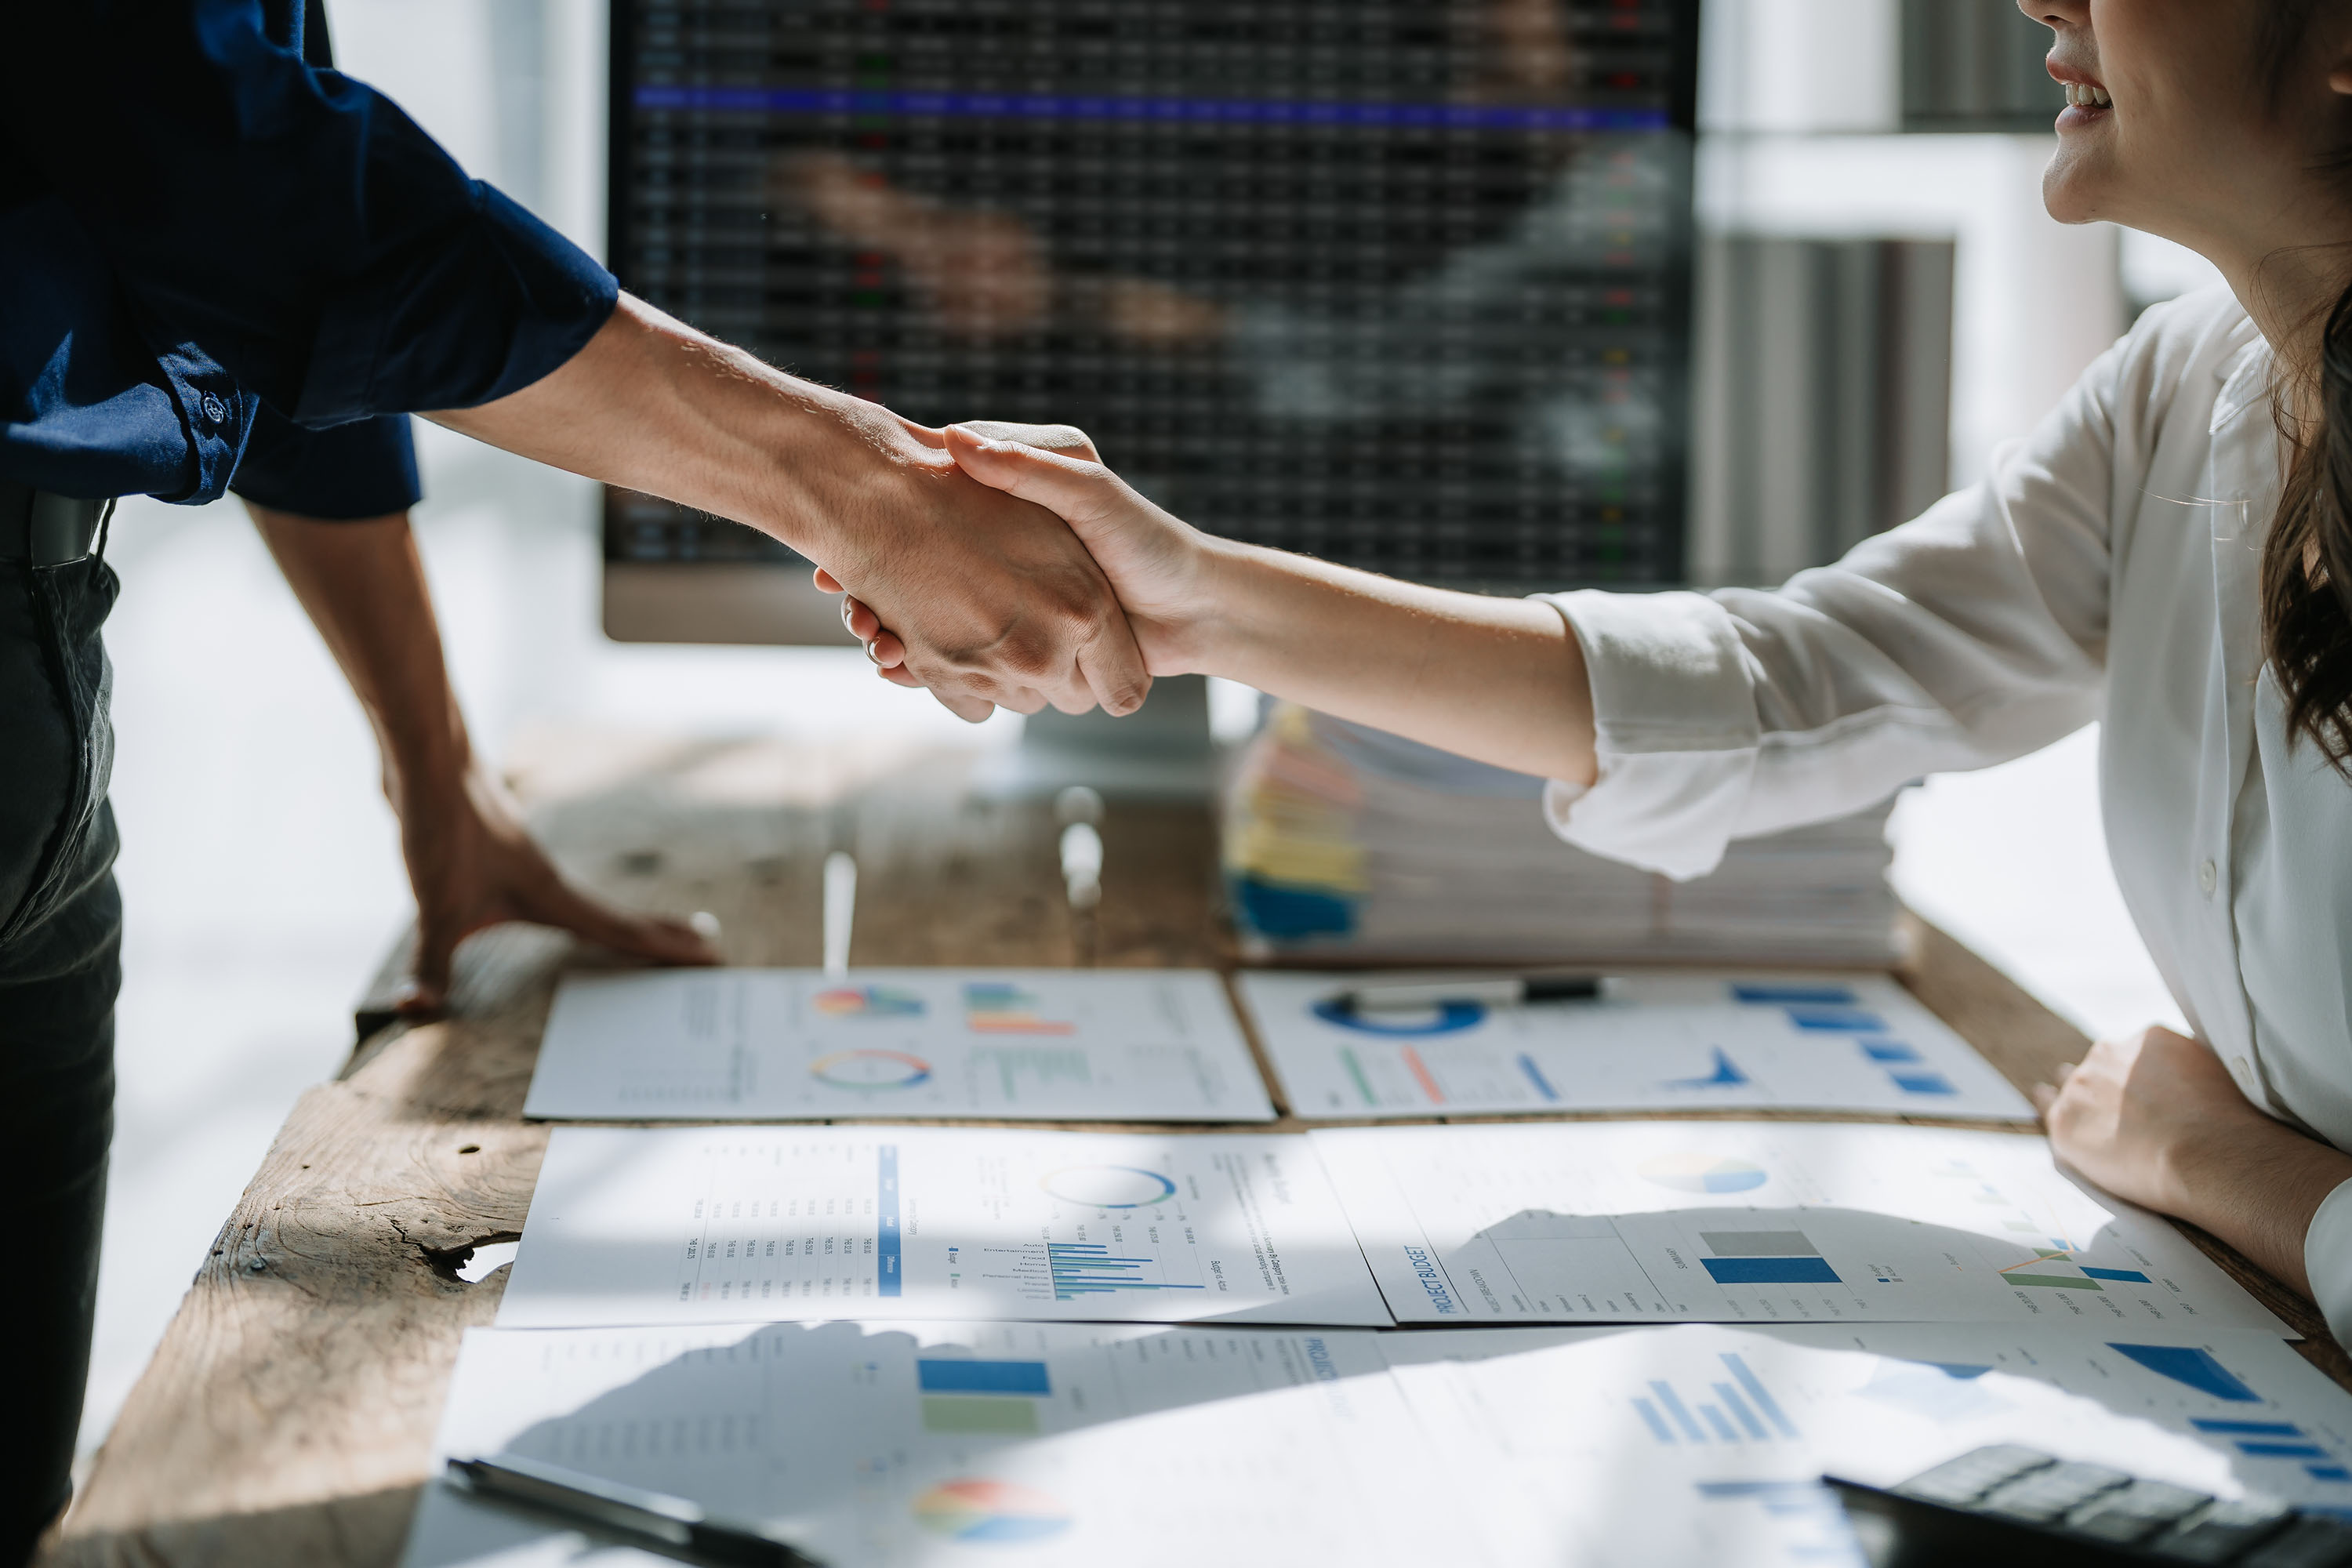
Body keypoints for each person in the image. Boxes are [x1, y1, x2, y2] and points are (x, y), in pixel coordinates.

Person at [844, 0, 2352, 1338]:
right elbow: (1794, 682)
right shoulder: (2188, 381)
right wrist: (1194, 604)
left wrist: (2228, 1170)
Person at [0, 2, 1147, 1557]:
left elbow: (240, 262)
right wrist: (852, 484)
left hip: (48, 697)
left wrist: (441, 784)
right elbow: (217, 149)